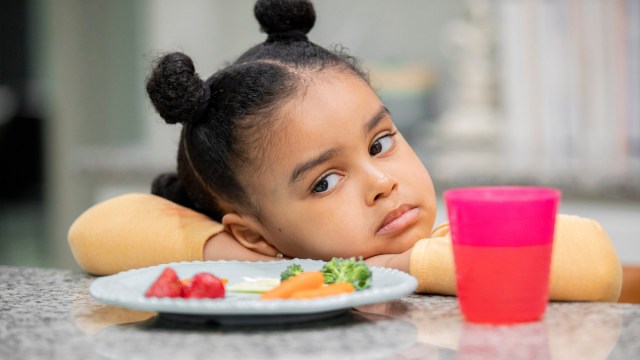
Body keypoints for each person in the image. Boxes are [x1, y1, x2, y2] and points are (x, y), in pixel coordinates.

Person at [68, 0, 622, 302]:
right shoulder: (279, 264)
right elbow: (94, 230)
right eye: (324, 182)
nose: (381, 181)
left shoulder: (443, 244)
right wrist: (260, 261)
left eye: (380, 143)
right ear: (254, 233)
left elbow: (596, 263)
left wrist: (403, 265)